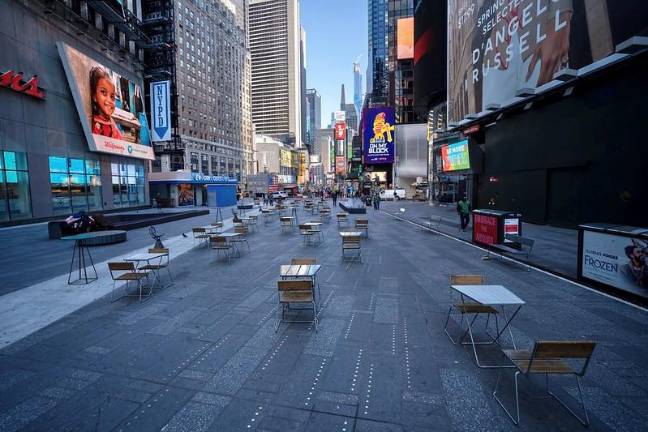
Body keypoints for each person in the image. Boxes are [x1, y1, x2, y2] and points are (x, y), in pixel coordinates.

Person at [89, 67, 123, 139]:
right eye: (103, 92)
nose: (109, 100)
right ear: (94, 96)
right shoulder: (97, 124)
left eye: (112, 97)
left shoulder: (110, 120)